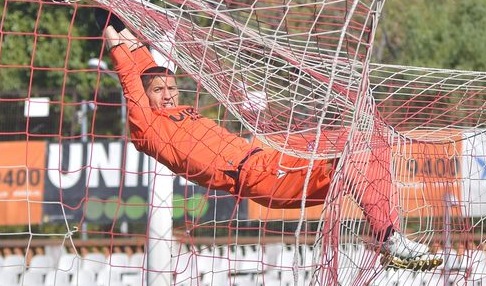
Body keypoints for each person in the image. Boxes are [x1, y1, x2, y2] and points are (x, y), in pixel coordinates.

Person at [101, 19, 439, 270]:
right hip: (259, 176)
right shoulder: (147, 127)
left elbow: (141, 62)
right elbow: (130, 73)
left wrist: (136, 42)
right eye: (158, 91)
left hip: (269, 157)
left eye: (171, 87)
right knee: (358, 149)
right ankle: (389, 238)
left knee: (369, 142)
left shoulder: (177, 109)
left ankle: (389, 234)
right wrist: (109, 13)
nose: (168, 93)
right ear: (146, 99)